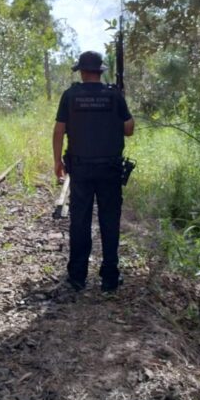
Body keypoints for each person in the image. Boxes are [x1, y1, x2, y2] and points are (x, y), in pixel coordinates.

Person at [52, 51, 135, 293]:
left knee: (80, 221)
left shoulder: (70, 95)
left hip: (81, 168)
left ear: (81, 71)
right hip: (110, 169)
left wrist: (57, 161)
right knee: (109, 221)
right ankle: (109, 278)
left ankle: (77, 277)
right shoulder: (114, 95)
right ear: (100, 71)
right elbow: (129, 129)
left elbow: (59, 131)